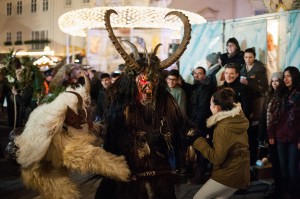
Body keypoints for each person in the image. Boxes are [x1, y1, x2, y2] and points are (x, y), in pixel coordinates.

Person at [191, 87, 250, 199]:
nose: (209, 107)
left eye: (210, 105)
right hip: (241, 171)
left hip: (228, 174)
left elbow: (217, 158)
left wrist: (198, 142)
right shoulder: (237, 119)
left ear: (217, 108)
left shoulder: (223, 127)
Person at [267, 66, 300, 199]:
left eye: (289, 76)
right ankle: (284, 194)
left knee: (293, 170)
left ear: (295, 77)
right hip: (280, 136)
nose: (285, 79)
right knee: (283, 169)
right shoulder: (281, 94)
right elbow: (273, 116)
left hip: (294, 138)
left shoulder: (298, 95)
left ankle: (294, 194)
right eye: (284, 76)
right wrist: (271, 134)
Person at [240, 47, 268, 165]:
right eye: (246, 57)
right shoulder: (242, 68)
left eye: (250, 57)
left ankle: (254, 159)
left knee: (254, 129)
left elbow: (264, 87)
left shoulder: (259, 69)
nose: (248, 59)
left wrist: (249, 83)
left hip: (256, 101)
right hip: (245, 100)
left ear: (254, 57)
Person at [258, 71, 283, 199]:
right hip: (269, 133)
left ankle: (281, 189)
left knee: (280, 163)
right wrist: (262, 136)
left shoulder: (283, 96)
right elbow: (263, 117)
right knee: (274, 162)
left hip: (279, 135)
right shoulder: (269, 96)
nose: (275, 83)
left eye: (277, 80)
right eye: (273, 81)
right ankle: (277, 187)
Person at [188, 66, 215, 184]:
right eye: (195, 73)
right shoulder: (198, 87)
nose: (197, 76)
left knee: (201, 150)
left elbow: (203, 109)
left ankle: (200, 176)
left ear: (204, 75)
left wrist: (196, 125)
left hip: (202, 125)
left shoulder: (205, 88)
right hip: (197, 123)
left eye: (199, 74)